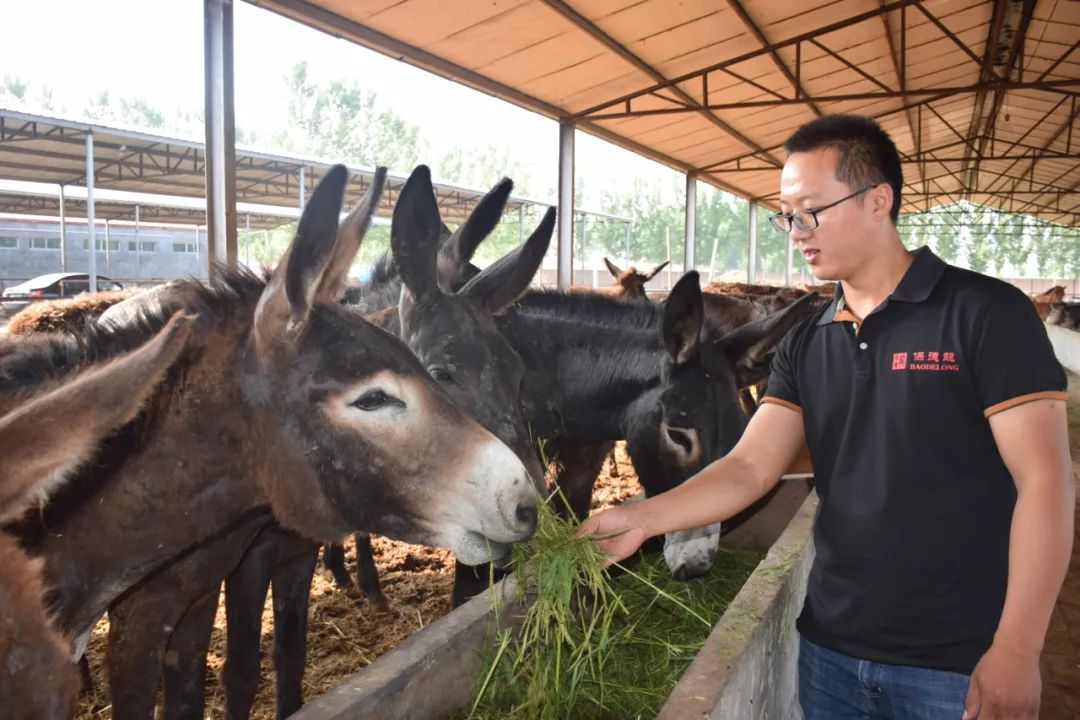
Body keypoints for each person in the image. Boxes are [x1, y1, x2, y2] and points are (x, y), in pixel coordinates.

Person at [578, 114, 1074, 720]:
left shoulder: (984, 314)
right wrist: (640, 517)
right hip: (831, 650)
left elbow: (1045, 481)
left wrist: (1018, 647)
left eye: (809, 211)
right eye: (787, 215)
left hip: (958, 662)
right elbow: (751, 467)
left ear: (877, 200)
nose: (795, 231)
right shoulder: (807, 339)